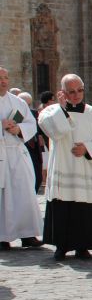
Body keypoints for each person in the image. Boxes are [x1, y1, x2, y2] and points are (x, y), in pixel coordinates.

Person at [38, 74, 92, 260]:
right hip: (63, 166)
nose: (77, 95)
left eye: (80, 90)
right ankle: (61, 246)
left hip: (84, 168)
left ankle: (83, 246)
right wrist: (61, 110)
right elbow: (55, 132)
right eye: (71, 92)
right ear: (63, 92)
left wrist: (87, 148)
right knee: (62, 207)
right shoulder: (50, 112)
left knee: (84, 209)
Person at [0, 68, 43, 250]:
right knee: (3, 198)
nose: (3, 81)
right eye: (0, 78)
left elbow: (31, 123)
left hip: (17, 152)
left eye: (5, 77)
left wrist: (19, 130)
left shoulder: (18, 102)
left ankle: (27, 234)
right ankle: (3, 237)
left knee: (24, 193)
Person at [18, 92, 44, 193]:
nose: (27, 107)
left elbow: (39, 129)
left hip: (34, 149)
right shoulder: (16, 114)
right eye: (25, 104)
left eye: (29, 104)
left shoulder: (34, 113)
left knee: (38, 177)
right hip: (23, 150)